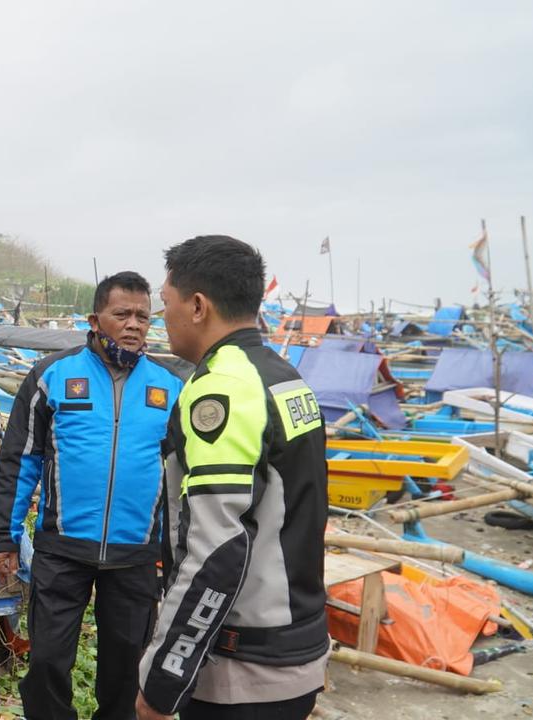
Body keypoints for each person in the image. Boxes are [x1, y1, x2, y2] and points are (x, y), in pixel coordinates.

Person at [137, 236, 329, 720]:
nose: (162, 316)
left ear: (198, 306)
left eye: (165, 302)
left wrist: (163, 681)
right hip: (297, 646)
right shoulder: (281, 375)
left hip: (245, 670)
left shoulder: (223, 388)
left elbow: (215, 550)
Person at [0, 271, 184, 720]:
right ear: (95, 320)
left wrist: (173, 553)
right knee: (46, 662)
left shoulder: (171, 386)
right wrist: (3, 536)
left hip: (135, 554)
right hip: (62, 549)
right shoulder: (52, 375)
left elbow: (181, 479)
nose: (133, 324)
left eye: (142, 316)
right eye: (122, 314)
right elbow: (20, 460)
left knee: (126, 672)